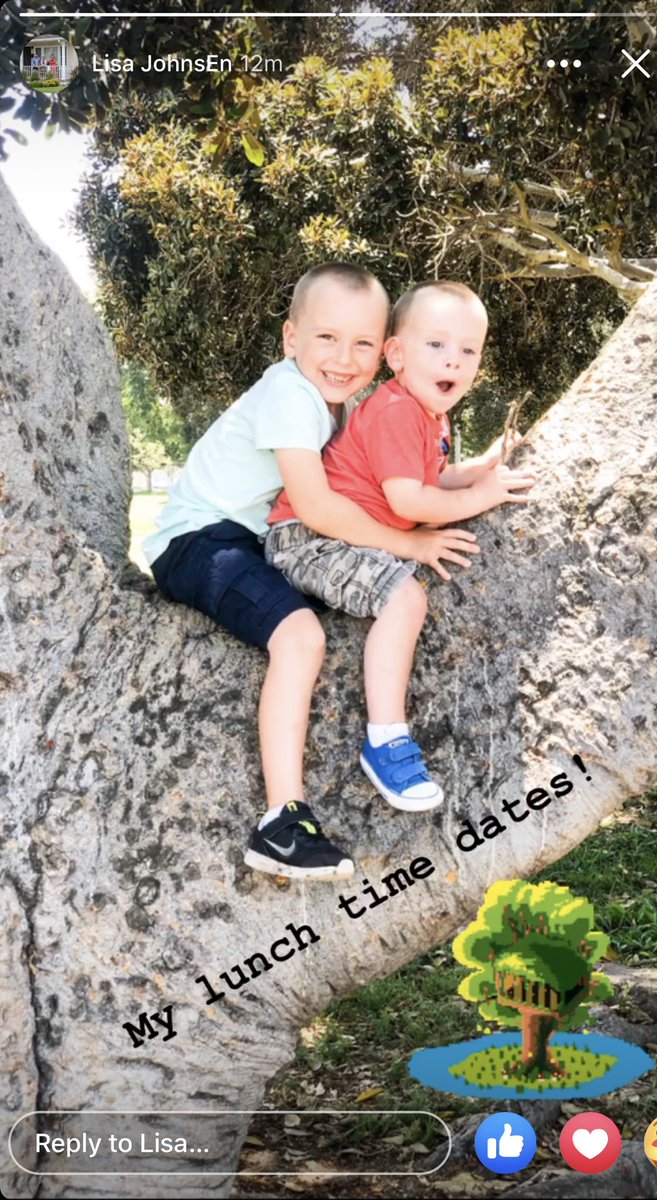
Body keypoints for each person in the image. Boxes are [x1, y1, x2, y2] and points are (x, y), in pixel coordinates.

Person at [143, 264, 476, 881]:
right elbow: (319, 508)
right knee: (300, 637)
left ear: (385, 352)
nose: (345, 358)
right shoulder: (291, 395)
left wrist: (480, 472)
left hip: (252, 541)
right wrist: (410, 540)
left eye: (362, 344)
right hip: (199, 541)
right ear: (291, 339)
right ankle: (281, 822)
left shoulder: (342, 404)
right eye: (327, 338)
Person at [266, 281, 535, 812]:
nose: (453, 361)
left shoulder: (429, 415)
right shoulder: (395, 410)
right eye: (435, 345)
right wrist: (481, 495)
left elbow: (430, 481)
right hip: (308, 539)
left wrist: (480, 468)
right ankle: (385, 739)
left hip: (346, 539)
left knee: (405, 592)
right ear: (395, 354)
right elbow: (410, 501)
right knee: (405, 597)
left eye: (468, 350)